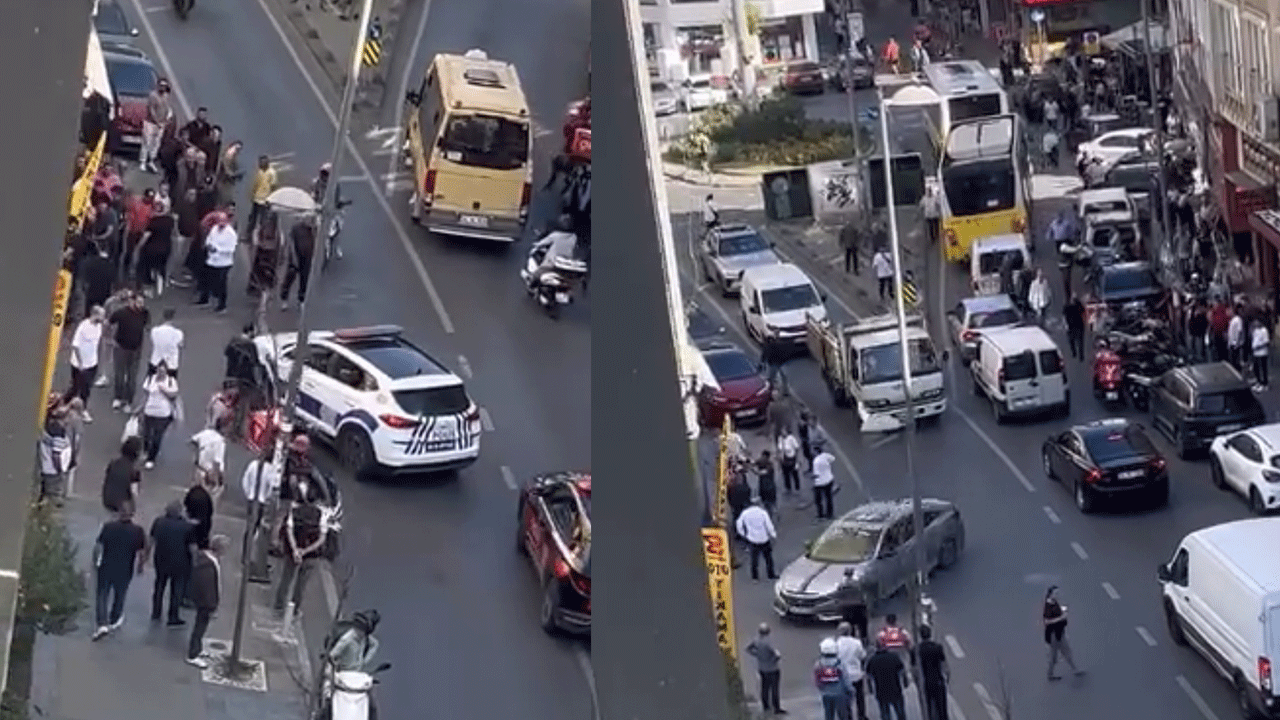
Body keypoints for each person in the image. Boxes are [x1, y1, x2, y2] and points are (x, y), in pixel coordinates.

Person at [91, 501, 148, 641]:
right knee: (120, 594)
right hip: (124, 568)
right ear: (132, 514)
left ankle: (102, 623)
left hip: (107, 565)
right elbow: (142, 552)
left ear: (119, 512)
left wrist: (95, 561)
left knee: (102, 594)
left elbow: (98, 545)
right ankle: (114, 618)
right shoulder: (137, 531)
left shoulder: (109, 527)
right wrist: (140, 566)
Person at [275, 491, 328, 615]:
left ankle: (279, 606)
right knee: (301, 584)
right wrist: (305, 551)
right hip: (311, 555)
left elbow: (289, 531)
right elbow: (322, 539)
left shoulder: (294, 512)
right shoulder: (321, 515)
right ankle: (294, 609)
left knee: (286, 579)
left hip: (292, 552)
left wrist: (295, 550)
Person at [149, 500, 195, 626]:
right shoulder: (187, 526)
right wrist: (195, 562)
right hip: (180, 563)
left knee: (159, 586)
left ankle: (156, 612)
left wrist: (145, 557)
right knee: (177, 590)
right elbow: (192, 547)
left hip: (161, 560)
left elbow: (151, 540)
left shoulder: (158, 522)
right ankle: (173, 616)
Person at [186, 535, 228, 669]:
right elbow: (207, 587)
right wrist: (212, 605)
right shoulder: (208, 564)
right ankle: (193, 655)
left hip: (205, 601)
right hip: (205, 603)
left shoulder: (208, 560)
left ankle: (198, 649)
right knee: (199, 627)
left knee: (201, 626)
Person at [241, 446, 281, 582]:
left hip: (252, 500)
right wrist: (267, 498)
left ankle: (245, 556)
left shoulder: (253, 465)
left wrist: (249, 494)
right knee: (260, 530)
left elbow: (245, 480)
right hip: (262, 502)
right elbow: (272, 487)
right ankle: (253, 558)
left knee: (250, 529)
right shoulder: (271, 470)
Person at [109, 292, 151, 412]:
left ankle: (128, 401)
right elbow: (110, 321)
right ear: (132, 302)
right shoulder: (122, 313)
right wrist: (110, 339)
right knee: (119, 374)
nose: (141, 305)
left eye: (142, 303)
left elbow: (147, 325)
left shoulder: (145, 313)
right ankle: (118, 397)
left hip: (136, 349)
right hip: (121, 348)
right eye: (139, 302)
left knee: (132, 377)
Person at [67, 306, 105, 419]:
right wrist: (80, 363)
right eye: (102, 315)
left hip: (92, 363)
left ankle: (83, 409)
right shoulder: (83, 326)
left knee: (86, 388)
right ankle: (64, 404)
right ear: (95, 315)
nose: (103, 318)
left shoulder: (99, 326)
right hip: (79, 365)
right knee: (75, 388)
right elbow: (75, 345)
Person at [138, 364, 179, 468]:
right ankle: (145, 451)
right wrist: (141, 408)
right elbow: (146, 395)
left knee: (157, 436)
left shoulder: (171, 381)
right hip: (149, 411)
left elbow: (174, 395)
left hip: (163, 414)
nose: (160, 373)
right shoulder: (150, 379)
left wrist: (163, 388)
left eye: (163, 371)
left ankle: (151, 458)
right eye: (159, 371)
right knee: (146, 434)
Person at [197, 212, 237, 312]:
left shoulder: (231, 234)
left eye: (222, 222)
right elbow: (209, 239)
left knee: (221, 284)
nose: (220, 224)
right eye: (219, 222)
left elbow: (231, 249)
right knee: (206, 279)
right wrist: (209, 245)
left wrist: (218, 249)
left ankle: (222, 305)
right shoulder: (215, 229)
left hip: (223, 263)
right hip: (211, 260)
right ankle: (204, 299)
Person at [864, 638, 909, 720]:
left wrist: (870, 689)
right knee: (900, 713)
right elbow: (902, 671)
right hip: (895, 689)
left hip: (881, 691)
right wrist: (905, 682)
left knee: (885, 714)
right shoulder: (893, 657)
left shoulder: (872, 660)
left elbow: (868, 676)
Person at [1043, 585, 1082, 679]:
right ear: (1050, 594)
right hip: (1053, 635)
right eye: (1056, 593)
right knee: (1054, 657)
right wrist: (1061, 618)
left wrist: (1063, 610)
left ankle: (1075, 670)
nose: (1058, 595)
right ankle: (1050, 674)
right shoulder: (1048, 606)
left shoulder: (1054, 602)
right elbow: (1047, 621)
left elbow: (1057, 612)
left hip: (1060, 633)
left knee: (1067, 652)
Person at [38, 402, 72, 506]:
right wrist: (59, 469)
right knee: (53, 490)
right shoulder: (58, 432)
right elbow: (56, 454)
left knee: (47, 486)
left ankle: (44, 500)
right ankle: (50, 503)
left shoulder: (50, 427)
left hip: (47, 466)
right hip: (53, 469)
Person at [746, 623, 784, 715]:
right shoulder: (768, 642)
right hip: (772, 669)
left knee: (764, 688)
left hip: (762, 669)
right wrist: (774, 660)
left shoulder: (756, 640)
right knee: (774, 689)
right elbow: (777, 654)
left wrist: (757, 654)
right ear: (768, 631)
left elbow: (748, 649)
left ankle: (765, 706)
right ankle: (776, 708)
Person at [735, 499, 777, 581]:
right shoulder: (763, 513)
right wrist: (773, 535)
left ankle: (755, 576)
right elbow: (769, 525)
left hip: (752, 539)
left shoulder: (745, 513)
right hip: (764, 538)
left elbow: (738, 524)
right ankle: (771, 574)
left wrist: (743, 534)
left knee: (754, 559)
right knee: (768, 558)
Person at [281, 216, 317, 309]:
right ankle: (284, 299)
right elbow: (291, 243)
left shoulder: (312, 230)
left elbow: (314, 243)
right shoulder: (296, 229)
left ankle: (301, 300)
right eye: (310, 219)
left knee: (304, 280)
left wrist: (312, 256)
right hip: (295, 257)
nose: (310, 222)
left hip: (307, 258)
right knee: (289, 278)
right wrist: (293, 257)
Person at [814, 637, 854, 720]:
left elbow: (817, 680)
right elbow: (845, 678)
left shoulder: (819, 664)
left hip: (825, 694)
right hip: (840, 694)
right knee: (843, 715)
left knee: (828, 715)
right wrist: (850, 690)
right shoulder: (839, 663)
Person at [835, 622, 868, 720]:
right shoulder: (856, 643)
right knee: (860, 697)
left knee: (846, 699)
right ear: (850, 631)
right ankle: (861, 715)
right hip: (856, 674)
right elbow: (863, 655)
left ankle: (849, 716)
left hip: (843, 676)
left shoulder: (836, 644)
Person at [102, 437, 143, 514]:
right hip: (122, 506)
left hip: (107, 500)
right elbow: (134, 492)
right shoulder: (135, 471)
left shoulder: (113, 463)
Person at [141, 79, 173, 174]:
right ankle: (143, 161)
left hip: (161, 124)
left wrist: (166, 120)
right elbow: (151, 110)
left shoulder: (166, 96)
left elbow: (167, 109)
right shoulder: (153, 95)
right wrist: (157, 121)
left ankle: (151, 161)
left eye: (165, 86)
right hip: (150, 123)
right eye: (161, 85)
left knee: (156, 144)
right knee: (147, 142)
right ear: (158, 86)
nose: (163, 87)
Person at [917, 625, 949, 720]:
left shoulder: (917, 650)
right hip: (938, 680)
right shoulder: (937, 647)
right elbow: (944, 665)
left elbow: (914, 669)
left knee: (928, 706)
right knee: (942, 707)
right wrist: (946, 678)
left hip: (926, 682)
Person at [191, 424, 228, 500]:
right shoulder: (221, 441)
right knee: (209, 499)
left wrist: (198, 454)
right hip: (210, 475)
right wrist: (220, 480)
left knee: (195, 496)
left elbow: (193, 440)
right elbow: (217, 462)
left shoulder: (206, 432)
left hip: (200, 469)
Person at [245, 155, 277, 241]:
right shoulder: (259, 172)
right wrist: (252, 195)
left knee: (263, 220)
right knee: (252, 218)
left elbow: (273, 187)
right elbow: (255, 184)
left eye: (262, 162)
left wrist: (271, 199)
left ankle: (262, 237)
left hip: (265, 200)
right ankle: (248, 235)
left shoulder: (271, 173)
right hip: (257, 199)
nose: (260, 164)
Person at [148, 308, 184, 378]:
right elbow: (181, 344)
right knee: (171, 383)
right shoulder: (178, 333)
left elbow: (153, 341)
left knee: (152, 383)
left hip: (155, 361)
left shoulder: (155, 331)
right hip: (171, 364)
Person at [811, 442, 836, 520]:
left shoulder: (816, 461)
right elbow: (833, 459)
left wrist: (812, 478)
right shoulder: (826, 455)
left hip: (820, 483)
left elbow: (816, 474)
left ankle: (820, 514)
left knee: (818, 500)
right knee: (829, 498)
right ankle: (830, 514)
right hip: (829, 479)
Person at [778, 428, 801, 495]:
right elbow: (780, 448)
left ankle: (797, 488)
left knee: (794, 473)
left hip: (792, 457)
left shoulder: (791, 438)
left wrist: (797, 459)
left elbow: (797, 447)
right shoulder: (780, 438)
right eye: (782, 432)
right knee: (785, 474)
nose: (783, 433)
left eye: (784, 432)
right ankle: (788, 488)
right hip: (784, 458)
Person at [755, 450, 778, 517]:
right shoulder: (762, 462)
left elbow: (760, 473)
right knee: (766, 504)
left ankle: (772, 514)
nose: (762, 458)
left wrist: (752, 469)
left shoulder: (769, 466)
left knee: (770, 504)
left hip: (769, 488)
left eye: (763, 457)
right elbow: (752, 462)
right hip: (764, 487)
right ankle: (771, 514)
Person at [1064, 294, 1086, 360]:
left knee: (1072, 340)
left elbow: (1064, 316)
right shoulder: (1077, 305)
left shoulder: (1067, 307)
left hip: (1072, 326)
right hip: (1078, 325)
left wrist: (1066, 325)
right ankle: (1080, 355)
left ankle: (1075, 353)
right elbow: (1083, 311)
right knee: (1080, 341)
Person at [1252, 320, 1271, 388]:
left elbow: (1266, 342)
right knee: (1256, 368)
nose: (1255, 323)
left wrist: (1258, 347)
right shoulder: (1255, 330)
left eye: (1257, 322)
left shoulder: (1264, 330)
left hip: (1262, 353)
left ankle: (1265, 383)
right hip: (1255, 353)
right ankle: (1259, 381)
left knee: (1263, 368)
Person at [1229, 307, 1246, 372]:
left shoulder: (1238, 319)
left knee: (1236, 360)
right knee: (1233, 360)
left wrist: (1237, 343)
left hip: (1236, 343)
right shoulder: (1233, 320)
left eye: (1230, 311)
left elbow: (1239, 331)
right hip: (1232, 343)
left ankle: (1238, 372)